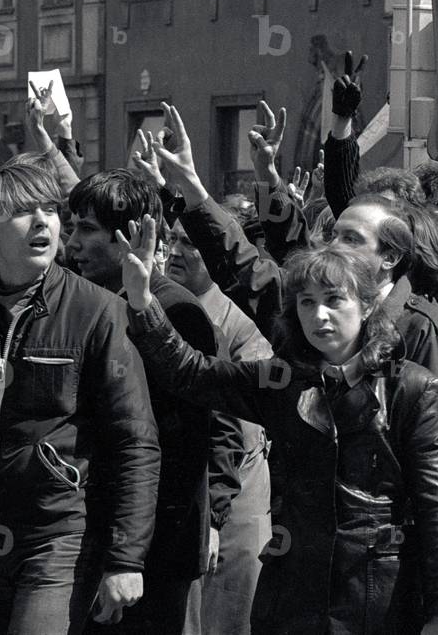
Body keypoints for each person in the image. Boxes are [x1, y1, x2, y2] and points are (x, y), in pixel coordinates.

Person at [120, 228, 438, 634]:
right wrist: (143, 302)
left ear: (368, 306)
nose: (319, 316)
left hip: (376, 596)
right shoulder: (283, 380)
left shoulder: (414, 388)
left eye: (334, 301)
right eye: (307, 302)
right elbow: (192, 374)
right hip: (291, 596)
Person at [0, 160, 159, 633]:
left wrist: (125, 559)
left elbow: (134, 440)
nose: (44, 222)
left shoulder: (98, 311)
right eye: (22, 211)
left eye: (50, 210)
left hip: (57, 540)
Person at [65, 168, 237, 633]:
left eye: (87, 229)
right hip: (98, 533)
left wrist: (209, 517)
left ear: (132, 236)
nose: (72, 244)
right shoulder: (81, 299)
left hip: (160, 547)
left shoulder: (176, 309)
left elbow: (203, 433)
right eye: (71, 227)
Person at [164, 218, 274, 635]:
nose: (175, 251)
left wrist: (213, 516)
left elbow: (237, 428)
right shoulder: (163, 303)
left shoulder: (236, 325)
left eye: (189, 243)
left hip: (231, 499)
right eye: (171, 239)